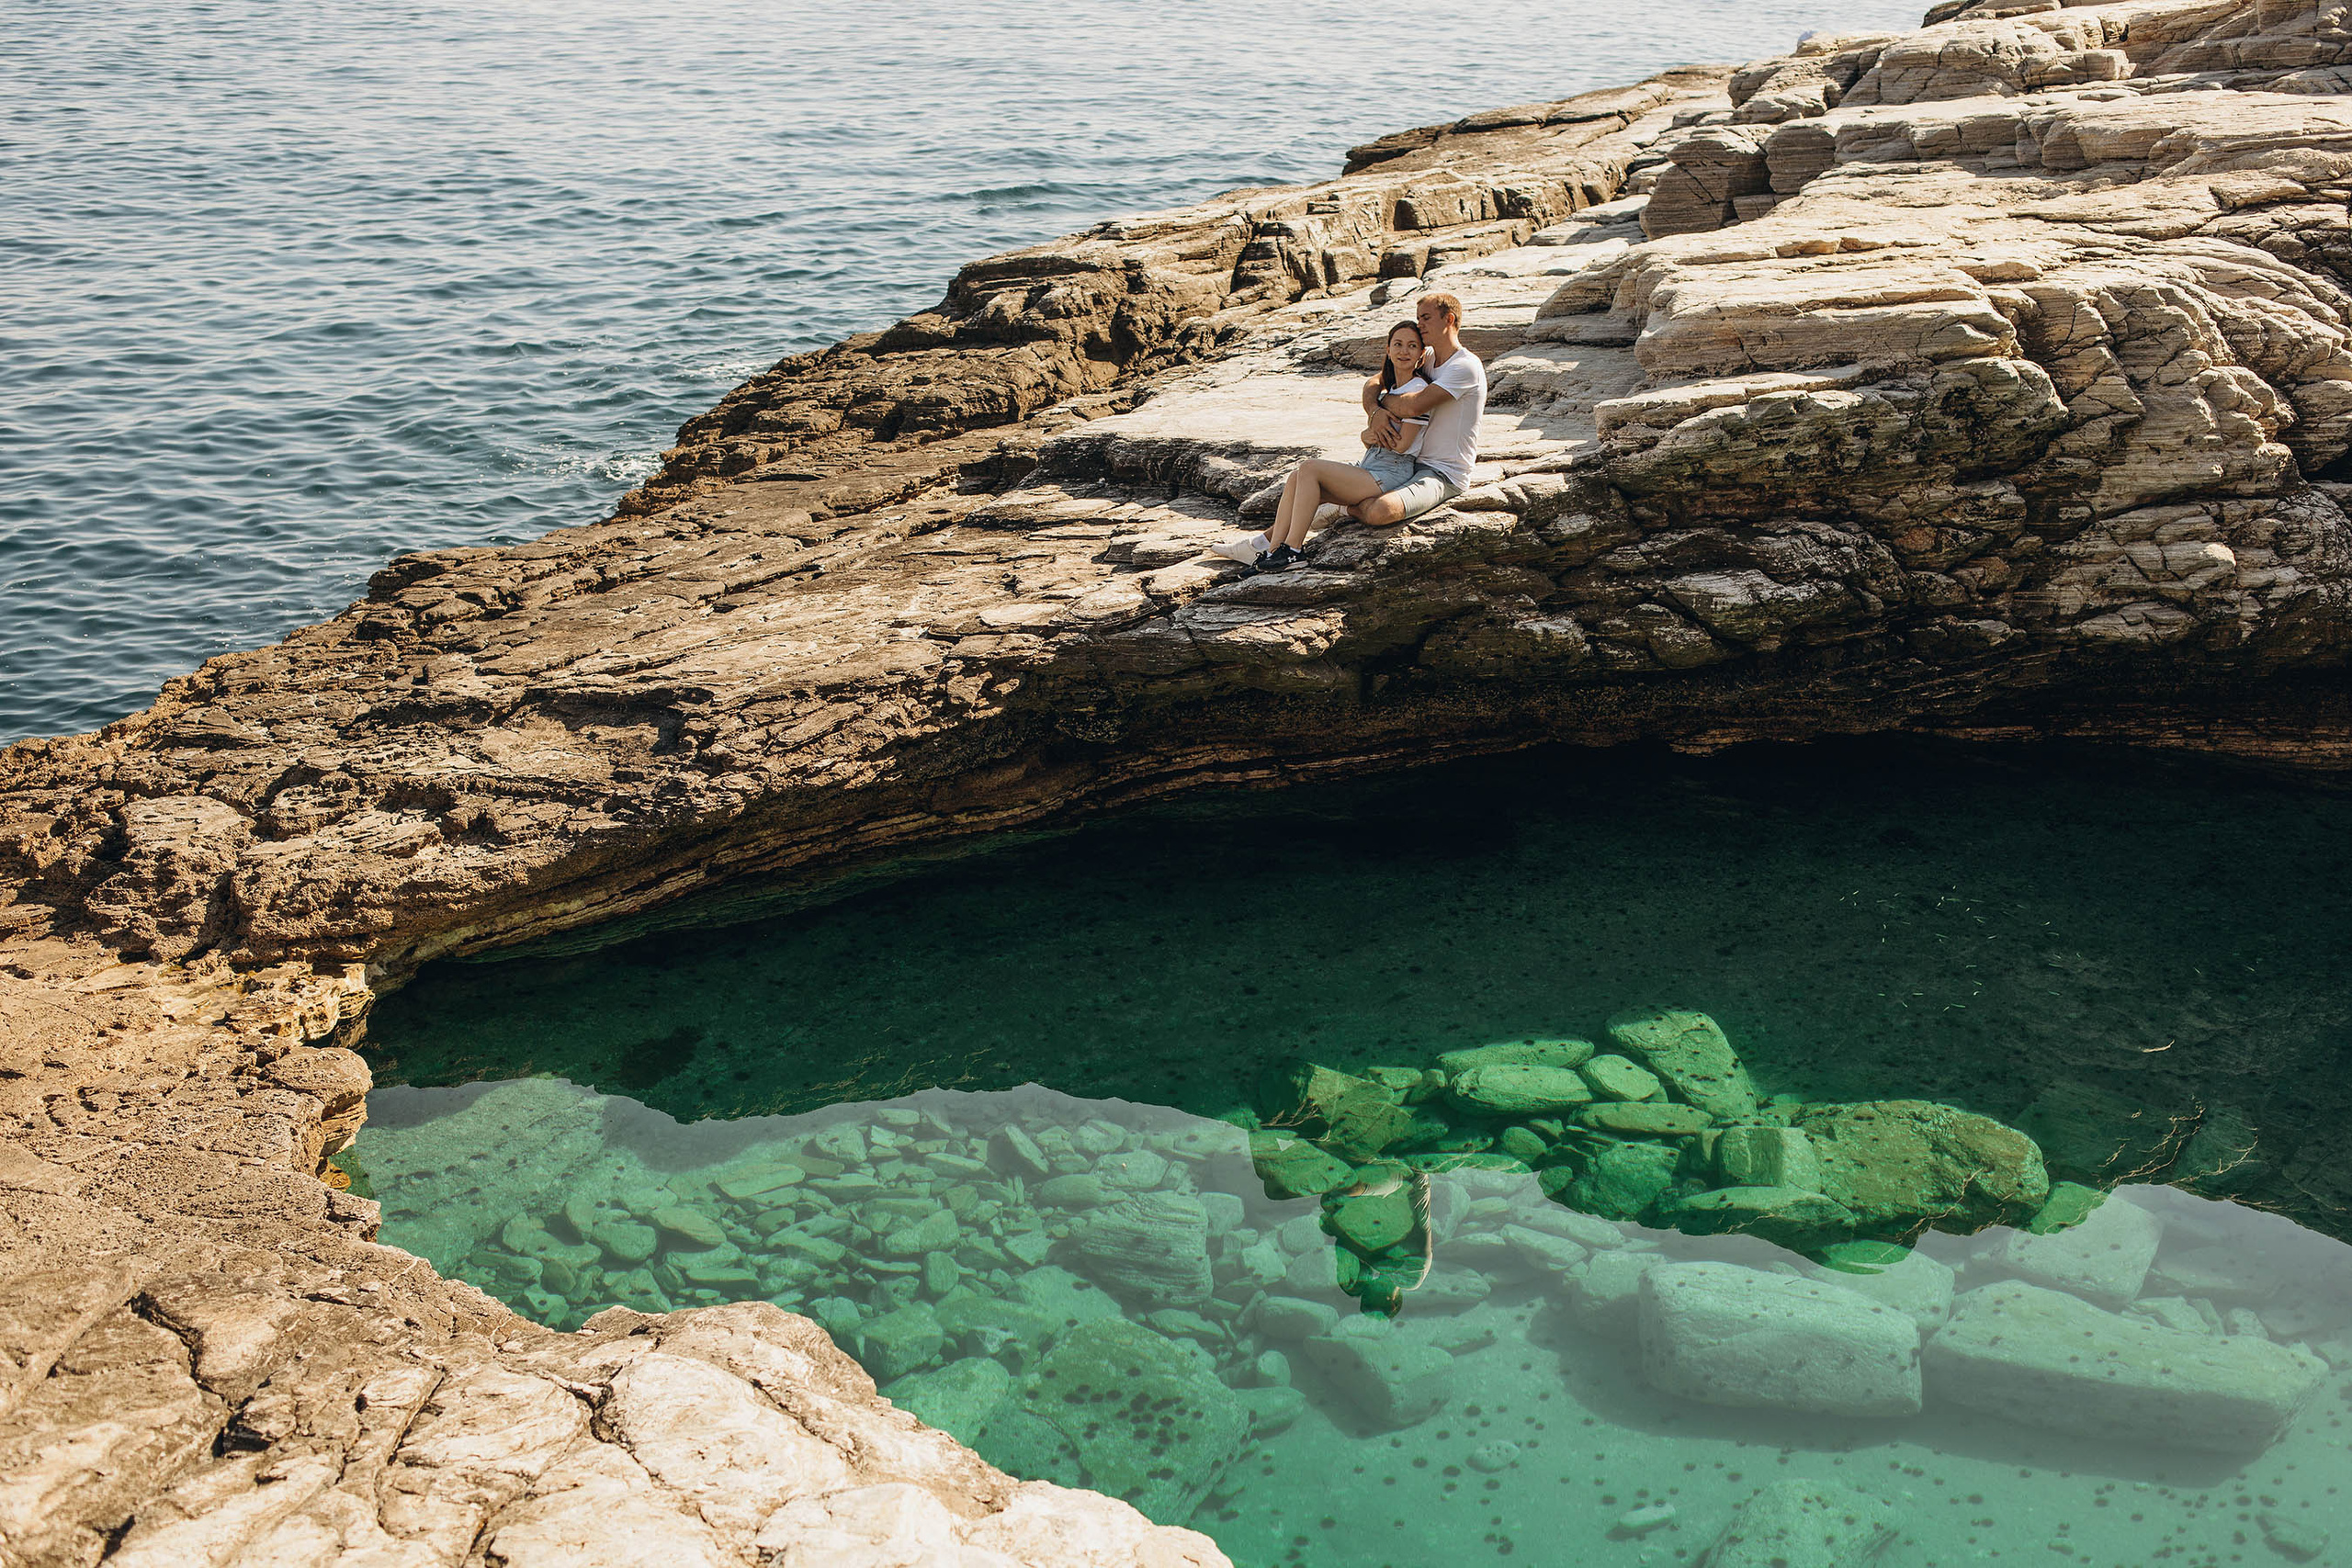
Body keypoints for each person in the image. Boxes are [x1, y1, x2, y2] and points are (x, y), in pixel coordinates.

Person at [1214, 290, 1487, 573]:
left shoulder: (1464, 366)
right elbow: (1375, 381)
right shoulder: (1426, 356)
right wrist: (1375, 413)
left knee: (1377, 510)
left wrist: (1379, 414)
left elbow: (1413, 405)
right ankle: (1264, 546)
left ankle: (1329, 518)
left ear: (1449, 319)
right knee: (1302, 479)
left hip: (1441, 472)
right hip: (1401, 462)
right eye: (1418, 318)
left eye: (1426, 318)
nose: (1419, 325)